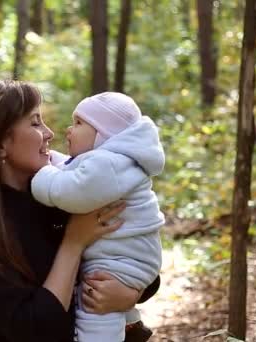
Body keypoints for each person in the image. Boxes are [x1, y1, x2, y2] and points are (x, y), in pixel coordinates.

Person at [0, 80, 159, 342]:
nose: (49, 133)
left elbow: (128, 254)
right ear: (0, 143)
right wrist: (74, 242)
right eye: (35, 123)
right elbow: (36, 329)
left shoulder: (59, 197)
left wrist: (127, 295)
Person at [31, 92, 164, 341]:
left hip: (119, 262)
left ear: (104, 134)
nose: (68, 130)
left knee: (94, 308)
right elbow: (70, 169)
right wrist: (50, 165)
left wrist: (41, 177)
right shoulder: (112, 162)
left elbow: (70, 191)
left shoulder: (108, 164)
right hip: (130, 256)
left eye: (79, 123)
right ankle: (130, 325)